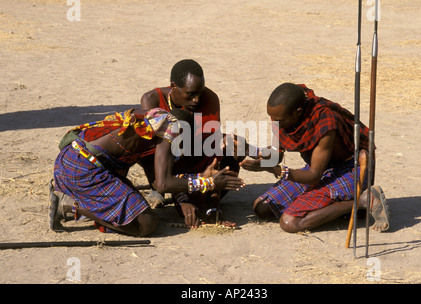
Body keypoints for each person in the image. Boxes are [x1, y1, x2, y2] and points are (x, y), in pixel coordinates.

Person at [49, 107, 244, 236]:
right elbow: (162, 184)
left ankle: (73, 198)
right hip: (82, 169)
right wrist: (208, 183)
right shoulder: (170, 129)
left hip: (71, 162)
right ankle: (69, 206)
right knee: (146, 223)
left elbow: (156, 179)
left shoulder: (153, 125)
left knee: (138, 212)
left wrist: (185, 197)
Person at [239, 83, 389, 233]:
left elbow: (314, 176)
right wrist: (246, 149)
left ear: (297, 112)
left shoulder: (325, 121)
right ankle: (332, 205)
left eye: (279, 119)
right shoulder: (283, 119)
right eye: (272, 118)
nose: (274, 122)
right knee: (262, 207)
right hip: (321, 167)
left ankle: (364, 200)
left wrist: (274, 169)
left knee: (289, 222)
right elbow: (276, 156)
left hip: (349, 169)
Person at [139, 59, 243, 227]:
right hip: (168, 167)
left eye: (199, 93)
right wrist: (180, 197)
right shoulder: (152, 100)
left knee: (234, 143)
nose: (196, 99)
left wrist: (214, 206)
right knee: (149, 150)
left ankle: (206, 199)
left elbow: (214, 151)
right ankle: (162, 189)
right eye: (191, 94)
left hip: (198, 158)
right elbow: (152, 154)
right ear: (173, 87)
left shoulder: (209, 99)